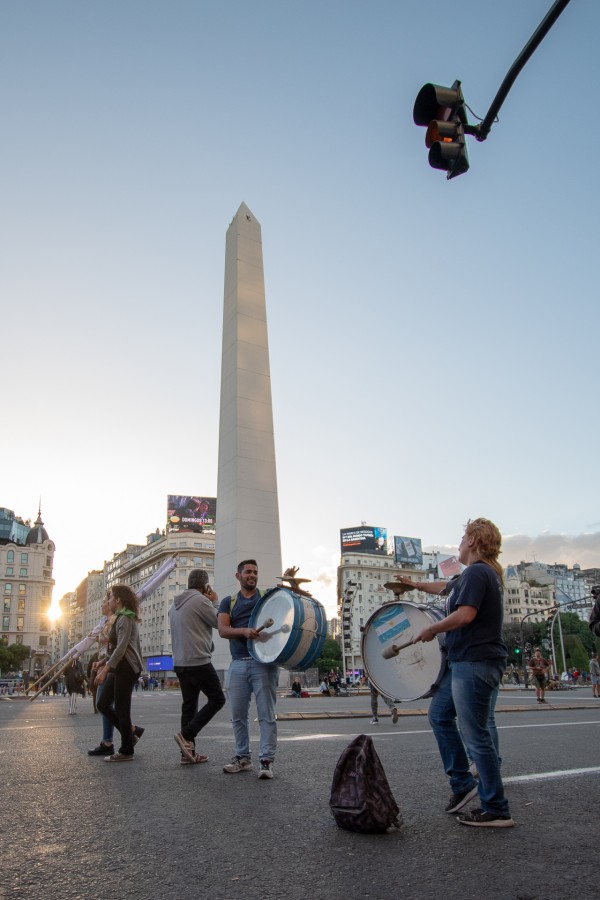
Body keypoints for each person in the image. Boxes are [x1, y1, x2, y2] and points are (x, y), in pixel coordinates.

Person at [412, 518, 513, 828]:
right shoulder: (476, 574)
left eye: (462, 537)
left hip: (474, 661)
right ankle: (462, 783)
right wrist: (414, 584)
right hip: (463, 662)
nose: (458, 543)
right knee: (439, 715)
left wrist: (431, 628)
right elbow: (445, 587)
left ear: (472, 541)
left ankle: (495, 807)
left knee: (475, 734)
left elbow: (465, 614)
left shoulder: (479, 572)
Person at [217, 559, 278, 779]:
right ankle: (242, 758)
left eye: (255, 572)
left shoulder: (267, 598)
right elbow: (223, 630)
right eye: (248, 572)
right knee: (237, 716)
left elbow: (285, 602)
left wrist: (291, 584)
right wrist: (244, 632)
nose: (252, 575)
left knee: (266, 715)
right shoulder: (228, 602)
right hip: (238, 663)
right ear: (238, 576)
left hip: (264, 663)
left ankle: (266, 761)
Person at [170, 569, 226, 765]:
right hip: (198, 661)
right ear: (205, 585)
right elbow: (220, 622)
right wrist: (215, 601)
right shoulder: (200, 601)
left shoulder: (174, 605)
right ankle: (187, 734)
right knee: (217, 699)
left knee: (189, 706)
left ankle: (187, 754)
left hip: (180, 662)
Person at [96, 585, 144, 762]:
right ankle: (130, 734)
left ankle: (126, 750)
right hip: (119, 666)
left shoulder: (125, 618)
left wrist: (105, 670)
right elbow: (115, 647)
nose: (108, 602)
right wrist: (102, 662)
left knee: (122, 709)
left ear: (118, 600)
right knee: (103, 704)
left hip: (127, 667)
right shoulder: (120, 618)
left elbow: (122, 648)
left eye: (111, 598)